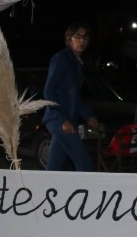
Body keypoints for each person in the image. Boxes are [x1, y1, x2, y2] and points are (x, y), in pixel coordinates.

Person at [41, 21, 99, 171]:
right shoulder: (61, 58)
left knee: (54, 167)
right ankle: (84, 194)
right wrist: (62, 119)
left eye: (85, 37)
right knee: (84, 164)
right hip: (59, 119)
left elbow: (74, 97)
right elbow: (48, 91)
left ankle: (45, 191)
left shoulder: (77, 62)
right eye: (77, 36)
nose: (81, 41)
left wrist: (88, 115)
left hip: (68, 119)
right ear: (68, 38)